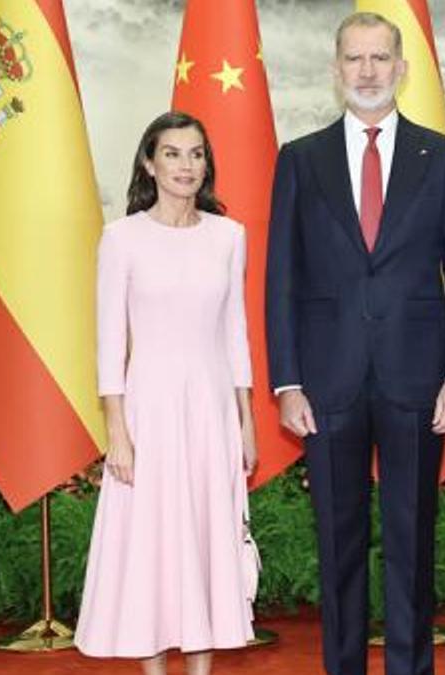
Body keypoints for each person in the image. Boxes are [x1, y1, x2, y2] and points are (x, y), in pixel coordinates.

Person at [264, 12, 445, 675]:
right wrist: (287, 381)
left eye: (380, 58)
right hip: (326, 381)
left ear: (401, 68)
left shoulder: (443, 157)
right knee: (338, 541)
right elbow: (281, 278)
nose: (367, 71)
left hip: (418, 379)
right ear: (336, 70)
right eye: (355, 59)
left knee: (412, 540)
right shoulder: (300, 159)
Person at [75, 111, 259, 675]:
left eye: (196, 154)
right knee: (150, 546)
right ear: (149, 164)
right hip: (148, 413)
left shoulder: (228, 236)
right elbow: (110, 343)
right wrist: (118, 431)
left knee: (205, 541)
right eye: (172, 154)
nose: (186, 166)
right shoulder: (122, 238)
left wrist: (246, 420)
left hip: (211, 411)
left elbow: (235, 333)